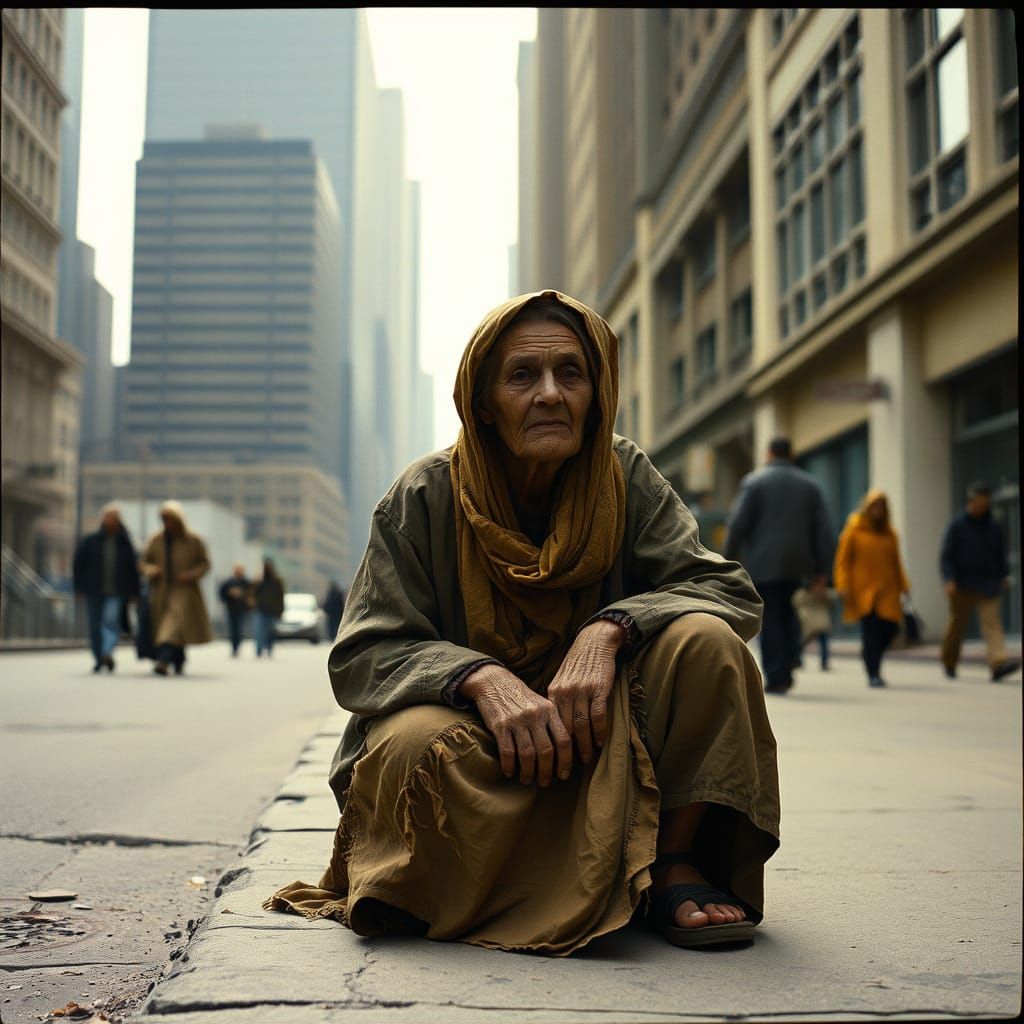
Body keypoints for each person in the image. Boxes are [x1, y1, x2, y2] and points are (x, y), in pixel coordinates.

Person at [264, 290, 780, 955]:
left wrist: (611, 629)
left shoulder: (624, 477)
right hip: (482, 748)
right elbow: (363, 655)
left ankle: (673, 862)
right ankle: (528, 883)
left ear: (597, 393)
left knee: (707, 641)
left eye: (571, 373)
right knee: (414, 747)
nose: (550, 394)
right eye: (522, 376)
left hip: (600, 735)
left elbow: (724, 589)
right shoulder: (423, 495)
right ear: (483, 403)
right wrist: (478, 678)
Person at [723, 437, 833, 694]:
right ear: (791, 454)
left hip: (764, 563)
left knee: (770, 616)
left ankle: (776, 673)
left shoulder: (754, 482)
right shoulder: (810, 485)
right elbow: (823, 531)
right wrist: (822, 569)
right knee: (790, 611)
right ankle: (791, 659)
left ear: (769, 454)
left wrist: (726, 560)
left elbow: (737, 525)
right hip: (798, 563)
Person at [939, 482, 1021, 683]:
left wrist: (1004, 575)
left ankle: (998, 663)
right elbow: (946, 555)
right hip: (962, 584)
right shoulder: (957, 525)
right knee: (957, 626)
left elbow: (1000, 554)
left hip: (988, 584)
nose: (982, 505)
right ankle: (949, 661)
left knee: (992, 623)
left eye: (985, 501)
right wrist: (949, 579)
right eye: (979, 501)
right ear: (971, 501)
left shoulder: (993, 527)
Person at [833, 489, 911, 688]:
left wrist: (904, 585)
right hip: (864, 591)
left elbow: (896, 563)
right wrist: (842, 584)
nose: (878, 511)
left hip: (888, 590)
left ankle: (870, 655)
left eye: (881, 507)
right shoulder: (854, 529)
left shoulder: (889, 533)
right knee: (871, 632)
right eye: (875, 506)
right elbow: (843, 561)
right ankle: (873, 672)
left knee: (890, 629)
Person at [139, 501, 213, 676]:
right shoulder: (156, 540)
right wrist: (151, 571)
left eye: (170, 519)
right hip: (161, 590)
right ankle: (179, 658)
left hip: (184, 590)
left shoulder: (193, 540)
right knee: (175, 627)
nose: (167, 523)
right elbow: (143, 562)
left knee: (172, 624)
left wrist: (191, 575)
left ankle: (163, 660)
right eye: (164, 520)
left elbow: (205, 563)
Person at [72, 503, 141, 673]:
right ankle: (98, 658)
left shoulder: (125, 542)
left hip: (116, 591)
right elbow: (78, 564)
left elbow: (133, 570)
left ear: (119, 521)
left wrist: (135, 592)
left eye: (114, 518)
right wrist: (78, 587)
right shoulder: (91, 540)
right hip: (94, 590)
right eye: (108, 518)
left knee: (110, 622)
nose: (110, 521)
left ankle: (106, 652)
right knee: (95, 625)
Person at [792, 583, 836, 671]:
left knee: (822, 641)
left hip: (820, 621)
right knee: (802, 642)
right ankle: (796, 659)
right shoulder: (803, 594)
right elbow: (796, 603)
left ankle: (824, 662)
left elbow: (833, 601)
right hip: (808, 621)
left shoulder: (825, 593)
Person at [251, 558, 285, 658]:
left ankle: (269, 648)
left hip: (272, 611)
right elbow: (252, 593)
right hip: (260, 610)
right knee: (259, 631)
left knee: (271, 632)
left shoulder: (277, 581)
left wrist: (281, 610)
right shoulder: (259, 581)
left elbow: (280, 596)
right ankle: (259, 650)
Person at [219, 564, 251, 657]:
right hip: (231, 609)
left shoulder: (246, 582)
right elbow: (222, 593)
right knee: (233, 629)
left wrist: (242, 594)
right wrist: (230, 594)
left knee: (239, 629)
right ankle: (234, 647)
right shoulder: (228, 582)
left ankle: (237, 646)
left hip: (242, 609)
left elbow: (251, 594)